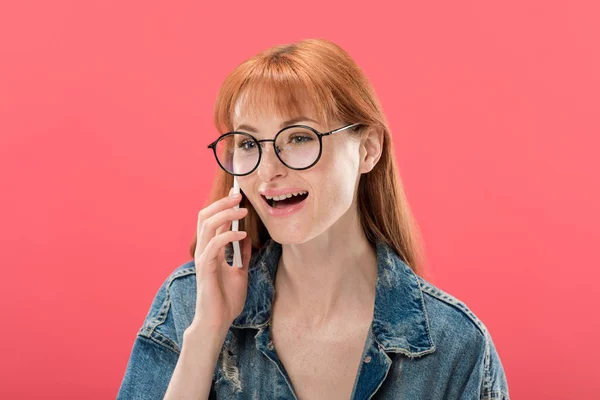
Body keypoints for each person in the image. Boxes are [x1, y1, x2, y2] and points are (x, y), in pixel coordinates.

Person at [117, 39, 510, 400]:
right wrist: (207, 334)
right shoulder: (189, 304)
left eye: (300, 137)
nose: (268, 171)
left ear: (369, 149)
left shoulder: (455, 347)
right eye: (250, 144)